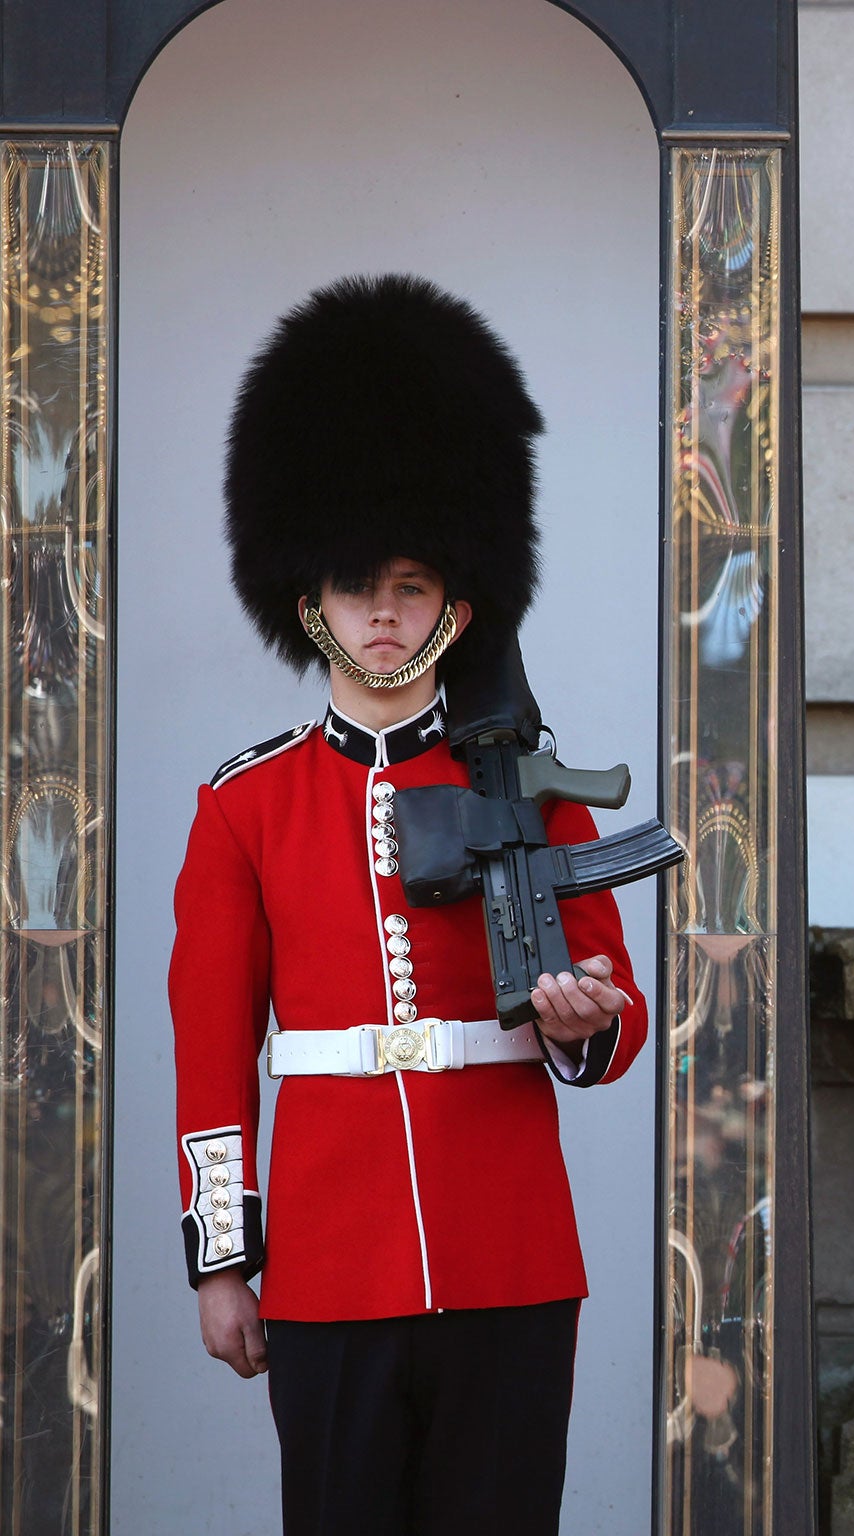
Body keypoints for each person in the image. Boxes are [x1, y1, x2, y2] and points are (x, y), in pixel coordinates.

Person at [169, 273, 647, 1536]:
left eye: (412, 585)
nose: (383, 614)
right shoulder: (244, 807)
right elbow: (213, 1052)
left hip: (509, 1252)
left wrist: (580, 1021)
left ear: (459, 606)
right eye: (354, 585)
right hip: (328, 1263)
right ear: (307, 602)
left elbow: (612, 1009)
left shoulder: (529, 784)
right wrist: (224, 1260)